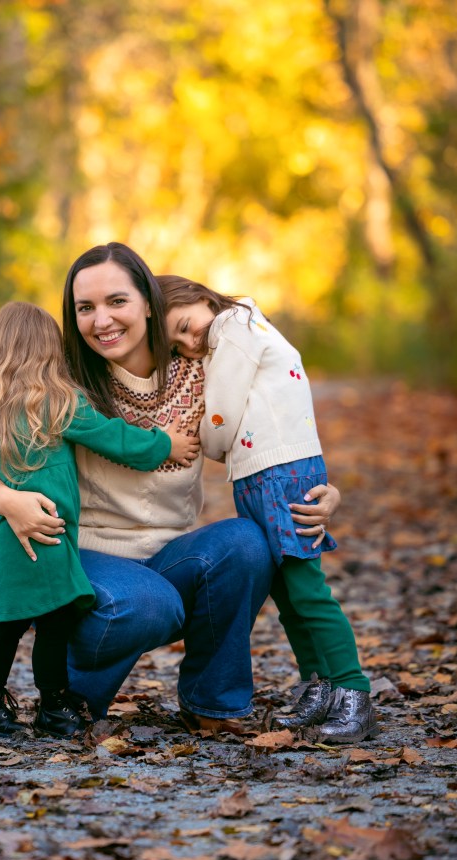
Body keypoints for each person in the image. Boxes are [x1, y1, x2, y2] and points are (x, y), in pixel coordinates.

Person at [0, 244, 341, 734]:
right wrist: (6, 501)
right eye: (86, 308)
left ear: (148, 301)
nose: (102, 320)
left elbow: (276, 425)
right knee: (149, 602)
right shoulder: (61, 378)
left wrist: (320, 486)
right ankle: (68, 694)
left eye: (116, 301)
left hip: (171, 554)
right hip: (86, 558)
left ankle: (212, 703)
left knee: (246, 545)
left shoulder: (203, 369)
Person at [0, 300, 200, 739]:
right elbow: (117, 440)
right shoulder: (61, 402)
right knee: (54, 622)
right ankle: (52, 705)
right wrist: (165, 445)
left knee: (9, 623)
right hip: (48, 533)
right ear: (50, 351)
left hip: (6, 533)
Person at [158, 274, 378, 744]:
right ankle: (319, 685)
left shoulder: (235, 325)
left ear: (202, 298)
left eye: (184, 325)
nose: (187, 341)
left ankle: (355, 692)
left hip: (279, 473)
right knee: (286, 592)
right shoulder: (226, 337)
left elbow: (221, 415)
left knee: (306, 589)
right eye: (176, 343)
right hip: (259, 475)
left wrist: (207, 442)